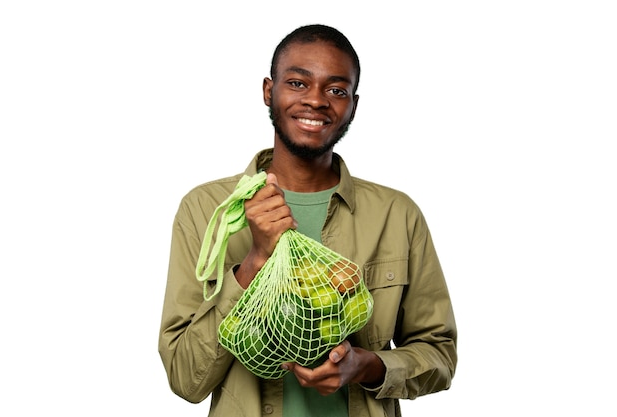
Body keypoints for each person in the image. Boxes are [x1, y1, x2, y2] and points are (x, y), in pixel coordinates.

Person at [158, 24, 457, 417]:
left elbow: (440, 355)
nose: (316, 101)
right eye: (298, 83)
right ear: (269, 91)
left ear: (353, 104)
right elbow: (185, 379)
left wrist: (366, 366)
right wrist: (253, 262)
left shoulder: (396, 215)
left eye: (336, 90)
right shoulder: (206, 210)